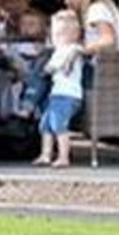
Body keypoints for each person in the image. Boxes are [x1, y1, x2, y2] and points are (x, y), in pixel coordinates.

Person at [33, 9, 86, 168]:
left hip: (68, 95)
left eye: (59, 34)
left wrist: (46, 68)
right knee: (46, 124)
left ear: (73, 35)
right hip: (57, 94)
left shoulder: (71, 49)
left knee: (59, 125)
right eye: (54, 34)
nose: (55, 38)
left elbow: (51, 67)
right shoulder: (61, 50)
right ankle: (45, 154)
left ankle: (64, 156)